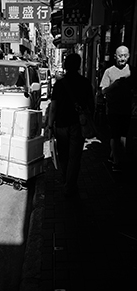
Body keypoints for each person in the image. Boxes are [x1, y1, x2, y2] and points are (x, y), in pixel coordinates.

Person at [48, 53, 94, 198]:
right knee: (75, 157)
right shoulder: (86, 83)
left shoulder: (59, 85)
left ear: (65, 66)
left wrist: (49, 126)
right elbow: (91, 106)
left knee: (63, 155)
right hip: (78, 125)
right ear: (79, 65)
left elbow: (53, 108)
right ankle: (70, 185)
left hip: (61, 125)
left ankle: (65, 180)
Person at [100, 45, 137, 172]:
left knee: (124, 136)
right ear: (115, 56)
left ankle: (115, 156)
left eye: (125, 56)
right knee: (115, 136)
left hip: (127, 110)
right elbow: (103, 91)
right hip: (113, 110)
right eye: (120, 56)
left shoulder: (133, 71)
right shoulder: (109, 71)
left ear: (129, 56)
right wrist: (114, 86)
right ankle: (117, 161)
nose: (122, 58)